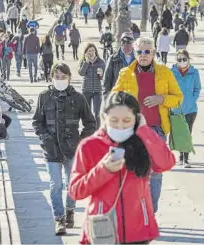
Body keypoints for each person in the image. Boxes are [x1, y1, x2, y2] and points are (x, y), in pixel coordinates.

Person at [68, 91, 176, 245]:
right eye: (114, 120)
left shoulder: (144, 141)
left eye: (127, 120)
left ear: (136, 119)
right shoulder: (89, 146)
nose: (120, 126)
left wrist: (145, 130)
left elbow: (167, 163)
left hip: (138, 230)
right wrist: (102, 170)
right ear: (104, 117)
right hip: (102, 229)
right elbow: (75, 191)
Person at [112, 37, 183, 213]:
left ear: (153, 53)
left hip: (156, 130)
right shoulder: (125, 73)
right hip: (132, 131)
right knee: (133, 172)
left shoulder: (165, 72)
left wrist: (162, 99)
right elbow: (114, 97)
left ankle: (150, 211)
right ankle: (136, 210)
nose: (143, 55)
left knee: (156, 173)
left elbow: (178, 98)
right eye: (140, 52)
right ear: (134, 53)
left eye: (147, 51)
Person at [32, 63, 96, 235]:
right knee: (55, 185)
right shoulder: (44, 96)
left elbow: (91, 122)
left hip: (72, 148)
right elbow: (37, 121)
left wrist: (81, 140)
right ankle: (59, 218)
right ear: (52, 77)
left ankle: (70, 209)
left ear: (69, 77)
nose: (60, 80)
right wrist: (45, 138)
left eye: (63, 77)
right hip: (51, 149)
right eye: (57, 76)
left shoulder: (78, 98)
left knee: (72, 184)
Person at [171, 50, 201, 168]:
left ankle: (185, 159)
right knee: (180, 134)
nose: (182, 62)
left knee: (187, 133)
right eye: (179, 59)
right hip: (176, 109)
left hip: (191, 109)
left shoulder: (194, 72)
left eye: (184, 59)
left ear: (188, 59)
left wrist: (192, 99)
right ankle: (181, 156)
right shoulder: (171, 72)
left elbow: (197, 88)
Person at [78, 44, 105, 128]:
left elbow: (103, 77)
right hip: (86, 90)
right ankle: (88, 129)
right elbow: (81, 73)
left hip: (97, 90)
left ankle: (97, 130)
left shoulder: (101, 62)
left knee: (97, 112)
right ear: (86, 52)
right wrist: (86, 62)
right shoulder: (83, 62)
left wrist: (101, 74)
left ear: (95, 51)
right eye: (89, 51)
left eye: (93, 50)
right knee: (87, 112)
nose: (91, 52)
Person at [103, 32, 135, 98]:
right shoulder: (113, 59)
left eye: (129, 42)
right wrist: (106, 98)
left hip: (134, 96)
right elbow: (107, 81)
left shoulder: (138, 58)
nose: (126, 44)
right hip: (117, 96)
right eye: (123, 42)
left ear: (133, 44)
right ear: (121, 43)